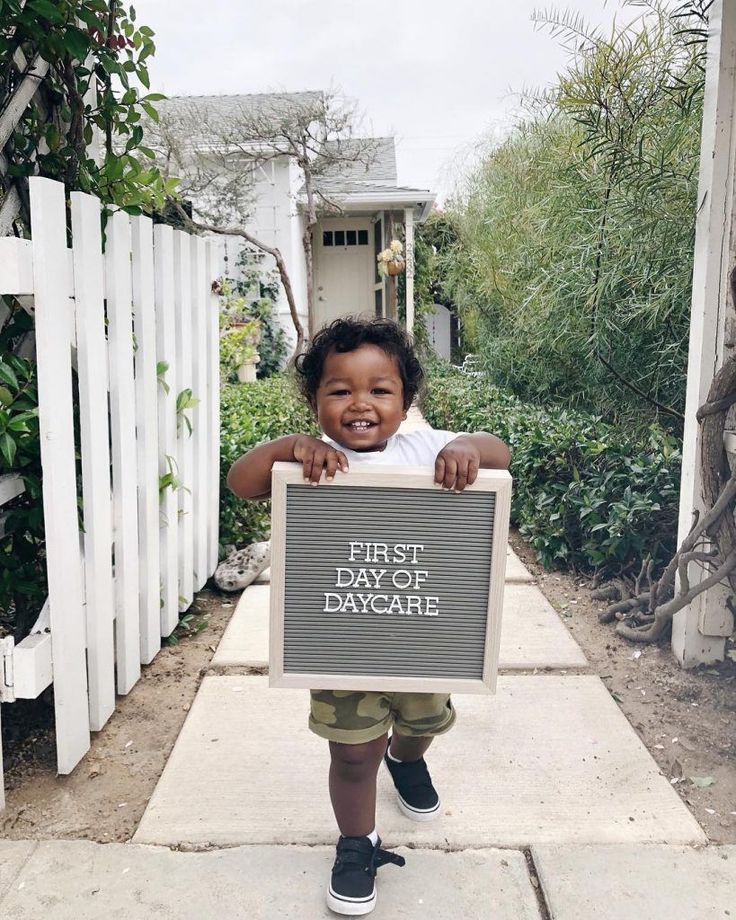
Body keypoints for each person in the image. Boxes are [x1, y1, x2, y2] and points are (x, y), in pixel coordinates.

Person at [226, 317, 510, 915]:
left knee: (421, 724)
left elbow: (498, 452)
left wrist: (466, 450)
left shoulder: (424, 449)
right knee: (352, 752)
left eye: (380, 390)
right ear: (315, 401)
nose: (360, 404)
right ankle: (358, 843)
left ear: (406, 401)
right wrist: (286, 448)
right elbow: (241, 482)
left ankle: (406, 764)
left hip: (424, 636)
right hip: (343, 639)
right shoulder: (310, 461)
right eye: (339, 390)